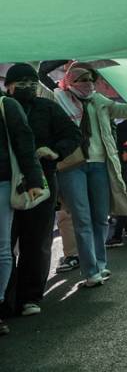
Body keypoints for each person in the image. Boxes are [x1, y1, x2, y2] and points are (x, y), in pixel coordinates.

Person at [52, 63, 127, 288]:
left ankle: (100, 265)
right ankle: (91, 271)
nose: (88, 84)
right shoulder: (58, 100)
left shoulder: (100, 101)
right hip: (72, 165)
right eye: (82, 80)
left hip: (100, 165)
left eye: (91, 79)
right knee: (82, 219)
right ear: (70, 81)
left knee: (100, 218)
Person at [2, 63, 80, 318]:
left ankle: (30, 297)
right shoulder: (3, 107)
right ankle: (6, 298)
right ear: (7, 86)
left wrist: (55, 151)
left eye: (31, 81)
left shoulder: (48, 108)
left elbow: (73, 135)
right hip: (7, 183)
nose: (26, 86)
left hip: (43, 182)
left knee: (36, 241)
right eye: (20, 82)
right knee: (5, 244)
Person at [0, 91, 46, 336]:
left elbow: (24, 141)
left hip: (3, 182)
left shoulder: (6, 104)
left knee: (2, 248)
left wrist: (34, 178)